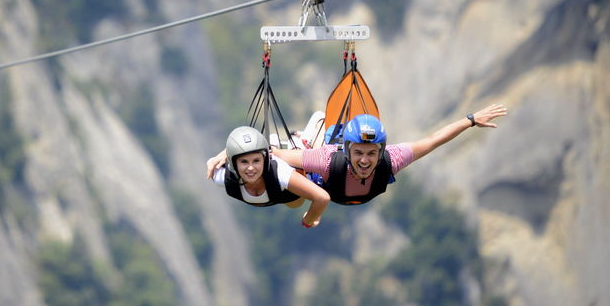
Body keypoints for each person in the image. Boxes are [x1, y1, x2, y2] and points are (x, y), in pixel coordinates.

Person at [207, 104, 507, 207]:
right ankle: (311, 131)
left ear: (381, 152)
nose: (365, 160)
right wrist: (230, 153)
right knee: (292, 189)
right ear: (348, 151)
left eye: (371, 154)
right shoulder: (327, 159)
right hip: (313, 159)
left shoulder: (392, 158)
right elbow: (267, 153)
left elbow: (432, 141)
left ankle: (314, 130)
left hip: (326, 175)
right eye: (359, 153)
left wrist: (469, 121)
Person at [208, 126, 330, 227]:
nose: (250, 168)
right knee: (293, 203)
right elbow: (213, 162)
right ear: (234, 164)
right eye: (244, 162)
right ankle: (272, 144)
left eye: (256, 161)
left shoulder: (280, 174)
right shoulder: (223, 177)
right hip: (276, 190)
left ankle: (302, 141)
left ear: (265, 160)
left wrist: (308, 220)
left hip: (290, 190)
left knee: (295, 202)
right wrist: (223, 154)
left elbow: (322, 198)